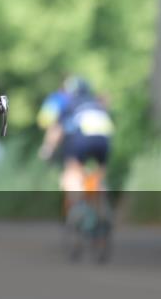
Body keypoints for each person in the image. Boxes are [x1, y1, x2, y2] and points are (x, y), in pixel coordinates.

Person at [37, 76, 114, 219]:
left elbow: (57, 129)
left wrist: (48, 149)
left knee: (71, 172)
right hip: (104, 139)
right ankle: (102, 204)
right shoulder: (95, 103)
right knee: (99, 174)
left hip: (81, 139)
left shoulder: (68, 103)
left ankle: (78, 207)